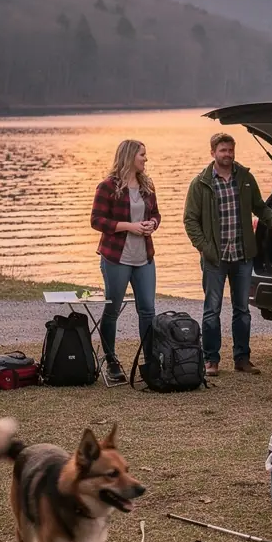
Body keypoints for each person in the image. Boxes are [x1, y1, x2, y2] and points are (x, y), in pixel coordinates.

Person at [183, 132, 272, 376]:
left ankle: (242, 359)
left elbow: (259, 207)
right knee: (212, 310)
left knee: (242, 310)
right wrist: (205, 248)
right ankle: (211, 360)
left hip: (242, 256)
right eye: (223, 150)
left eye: (231, 150)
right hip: (215, 258)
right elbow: (190, 220)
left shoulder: (245, 178)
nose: (228, 154)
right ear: (213, 152)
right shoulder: (200, 183)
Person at [90, 140, 161, 382]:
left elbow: (156, 213)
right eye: (142, 155)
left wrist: (152, 224)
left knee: (148, 310)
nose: (145, 159)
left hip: (144, 258)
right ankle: (112, 362)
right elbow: (96, 221)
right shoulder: (107, 187)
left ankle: (150, 362)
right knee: (112, 310)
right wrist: (129, 226)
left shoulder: (147, 185)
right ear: (130, 157)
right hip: (116, 257)